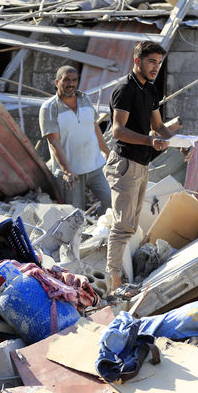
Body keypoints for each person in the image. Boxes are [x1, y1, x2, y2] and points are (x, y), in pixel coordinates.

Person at [104, 41, 174, 292]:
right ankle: (114, 285)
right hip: (125, 164)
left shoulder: (150, 90)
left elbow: (158, 126)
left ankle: (119, 279)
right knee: (122, 226)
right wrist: (150, 140)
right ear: (137, 62)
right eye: (151, 61)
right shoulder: (125, 89)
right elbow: (118, 131)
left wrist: (178, 142)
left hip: (141, 163)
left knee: (130, 225)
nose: (156, 67)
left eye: (158, 62)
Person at [39, 65, 112, 214]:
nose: (71, 84)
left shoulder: (85, 99)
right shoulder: (49, 108)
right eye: (66, 80)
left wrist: (106, 152)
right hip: (72, 173)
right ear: (57, 82)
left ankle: (101, 232)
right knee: (74, 213)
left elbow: (94, 126)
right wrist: (67, 170)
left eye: (74, 80)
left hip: (95, 165)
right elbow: (53, 141)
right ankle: (83, 236)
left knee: (110, 200)